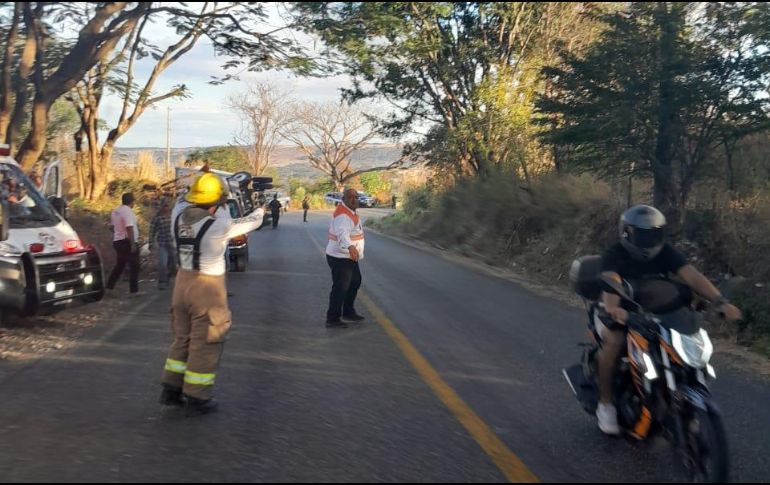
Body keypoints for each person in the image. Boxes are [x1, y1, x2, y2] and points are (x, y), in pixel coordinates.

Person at [596, 205, 742, 435]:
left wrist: (719, 301)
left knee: (681, 348)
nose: (647, 239)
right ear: (627, 233)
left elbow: (691, 275)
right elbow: (610, 278)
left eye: (653, 233)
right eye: (642, 234)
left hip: (655, 310)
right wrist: (614, 308)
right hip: (619, 309)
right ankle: (605, 405)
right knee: (614, 342)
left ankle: (682, 403)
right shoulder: (615, 253)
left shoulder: (665, 252)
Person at [160, 173, 264, 416]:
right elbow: (252, 222)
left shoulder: (178, 216)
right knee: (206, 342)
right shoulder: (218, 225)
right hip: (207, 288)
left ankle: (171, 389)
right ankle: (197, 396)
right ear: (218, 201)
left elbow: (183, 200)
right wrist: (259, 210)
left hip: (181, 283)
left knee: (182, 339)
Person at [325, 188, 366, 328]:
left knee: (355, 282)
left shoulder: (350, 212)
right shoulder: (343, 216)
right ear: (344, 199)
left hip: (348, 256)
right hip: (340, 256)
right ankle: (333, 318)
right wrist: (350, 247)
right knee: (340, 287)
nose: (354, 199)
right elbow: (342, 234)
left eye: (356, 197)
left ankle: (348, 311)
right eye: (350, 197)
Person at [106, 193, 140, 295]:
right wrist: (133, 243)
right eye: (134, 201)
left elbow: (111, 227)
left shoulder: (116, 211)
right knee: (134, 266)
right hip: (126, 242)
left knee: (120, 265)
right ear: (131, 201)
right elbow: (129, 228)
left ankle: (109, 287)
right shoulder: (127, 211)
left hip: (118, 241)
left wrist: (118, 233)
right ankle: (134, 291)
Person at [149, 200, 176, 290]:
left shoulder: (173, 217)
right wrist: (151, 242)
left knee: (174, 263)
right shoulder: (157, 219)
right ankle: (162, 281)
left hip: (172, 243)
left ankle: (170, 276)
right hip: (162, 243)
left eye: (167, 206)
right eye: (164, 206)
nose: (166, 208)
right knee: (162, 263)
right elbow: (152, 231)